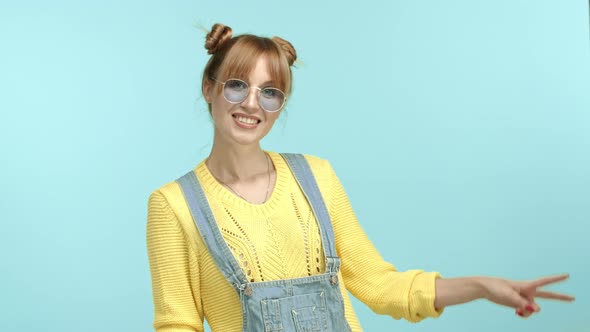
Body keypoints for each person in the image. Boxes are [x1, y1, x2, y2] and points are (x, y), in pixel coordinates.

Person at [146, 23, 575, 332]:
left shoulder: (316, 177)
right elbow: (177, 323)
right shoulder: (173, 205)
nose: (252, 104)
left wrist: (482, 287)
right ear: (209, 87)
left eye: (270, 92)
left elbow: (380, 286)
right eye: (237, 85)